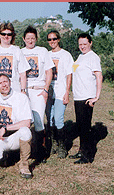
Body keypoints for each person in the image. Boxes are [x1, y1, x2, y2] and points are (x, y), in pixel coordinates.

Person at [0, 74, 33, 179]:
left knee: (26, 132)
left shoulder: (21, 97)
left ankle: (24, 165)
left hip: (14, 136)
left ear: (10, 82)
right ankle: (7, 156)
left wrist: (5, 128)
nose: (4, 85)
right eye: (0, 83)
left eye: (5, 81)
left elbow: (27, 122)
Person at [21, 26, 54, 162]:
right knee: (24, 122)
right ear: (23, 39)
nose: (30, 41)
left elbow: (49, 71)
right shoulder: (19, 51)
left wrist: (46, 89)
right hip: (24, 90)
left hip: (39, 90)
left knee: (39, 121)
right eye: (28, 38)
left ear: (36, 39)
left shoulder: (42, 51)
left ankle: (41, 151)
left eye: (32, 38)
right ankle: (25, 152)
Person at [69, 33, 103, 164]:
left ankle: (88, 155)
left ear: (90, 43)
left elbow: (99, 77)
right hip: (78, 96)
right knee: (80, 126)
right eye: (80, 44)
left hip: (87, 97)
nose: (82, 46)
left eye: (85, 44)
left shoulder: (93, 57)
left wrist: (96, 97)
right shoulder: (80, 57)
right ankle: (82, 150)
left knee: (85, 127)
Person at [0, 22, 30, 103]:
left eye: (9, 34)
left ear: (12, 35)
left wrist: (23, 91)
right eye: (3, 34)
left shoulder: (17, 51)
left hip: (14, 91)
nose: (6, 36)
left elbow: (22, 74)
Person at [45, 30, 74, 159]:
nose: (52, 42)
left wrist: (67, 92)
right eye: (50, 39)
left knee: (58, 119)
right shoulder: (46, 54)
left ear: (59, 39)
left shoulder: (66, 55)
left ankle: (62, 146)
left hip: (60, 91)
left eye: (54, 39)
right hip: (49, 91)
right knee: (49, 119)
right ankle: (52, 144)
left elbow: (69, 74)